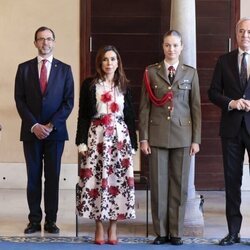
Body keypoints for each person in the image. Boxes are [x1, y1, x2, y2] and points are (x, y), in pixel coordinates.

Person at [139, 30, 201, 245]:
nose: (171, 49)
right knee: (158, 185)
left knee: (180, 185)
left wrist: (196, 140)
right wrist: (143, 138)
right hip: (157, 136)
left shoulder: (190, 73)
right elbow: (144, 109)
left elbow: (195, 108)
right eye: (167, 45)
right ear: (162, 47)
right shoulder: (151, 72)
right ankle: (161, 231)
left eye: (175, 45)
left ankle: (176, 231)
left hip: (183, 136)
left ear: (181, 47)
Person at [14, 26, 74, 234]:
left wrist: (50, 126)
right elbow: (19, 100)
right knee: (33, 176)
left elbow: (68, 102)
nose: (45, 43)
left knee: (53, 176)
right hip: (31, 132)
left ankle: (51, 220)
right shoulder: (24, 69)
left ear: (54, 42)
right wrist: (34, 125)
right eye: (41, 39)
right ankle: (33, 220)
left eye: (49, 39)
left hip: (55, 133)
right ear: (35, 43)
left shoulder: (65, 70)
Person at [75, 45, 138, 245]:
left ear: (118, 62)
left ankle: (113, 226)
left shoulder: (125, 86)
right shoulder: (90, 84)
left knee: (116, 183)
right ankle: (99, 226)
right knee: (96, 182)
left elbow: (130, 117)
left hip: (119, 139)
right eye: (105, 59)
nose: (109, 63)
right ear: (100, 63)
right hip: (97, 138)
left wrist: (133, 144)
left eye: (112, 59)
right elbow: (83, 115)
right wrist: (81, 141)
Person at [208, 17, 250, 246]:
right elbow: (213, 93)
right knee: (232, 182)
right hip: (231, 129)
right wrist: (232, 103)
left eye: (249, 32)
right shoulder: (224, 61)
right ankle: (233, 232)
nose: (245, 35)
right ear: (236, 34)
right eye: (241, 31)